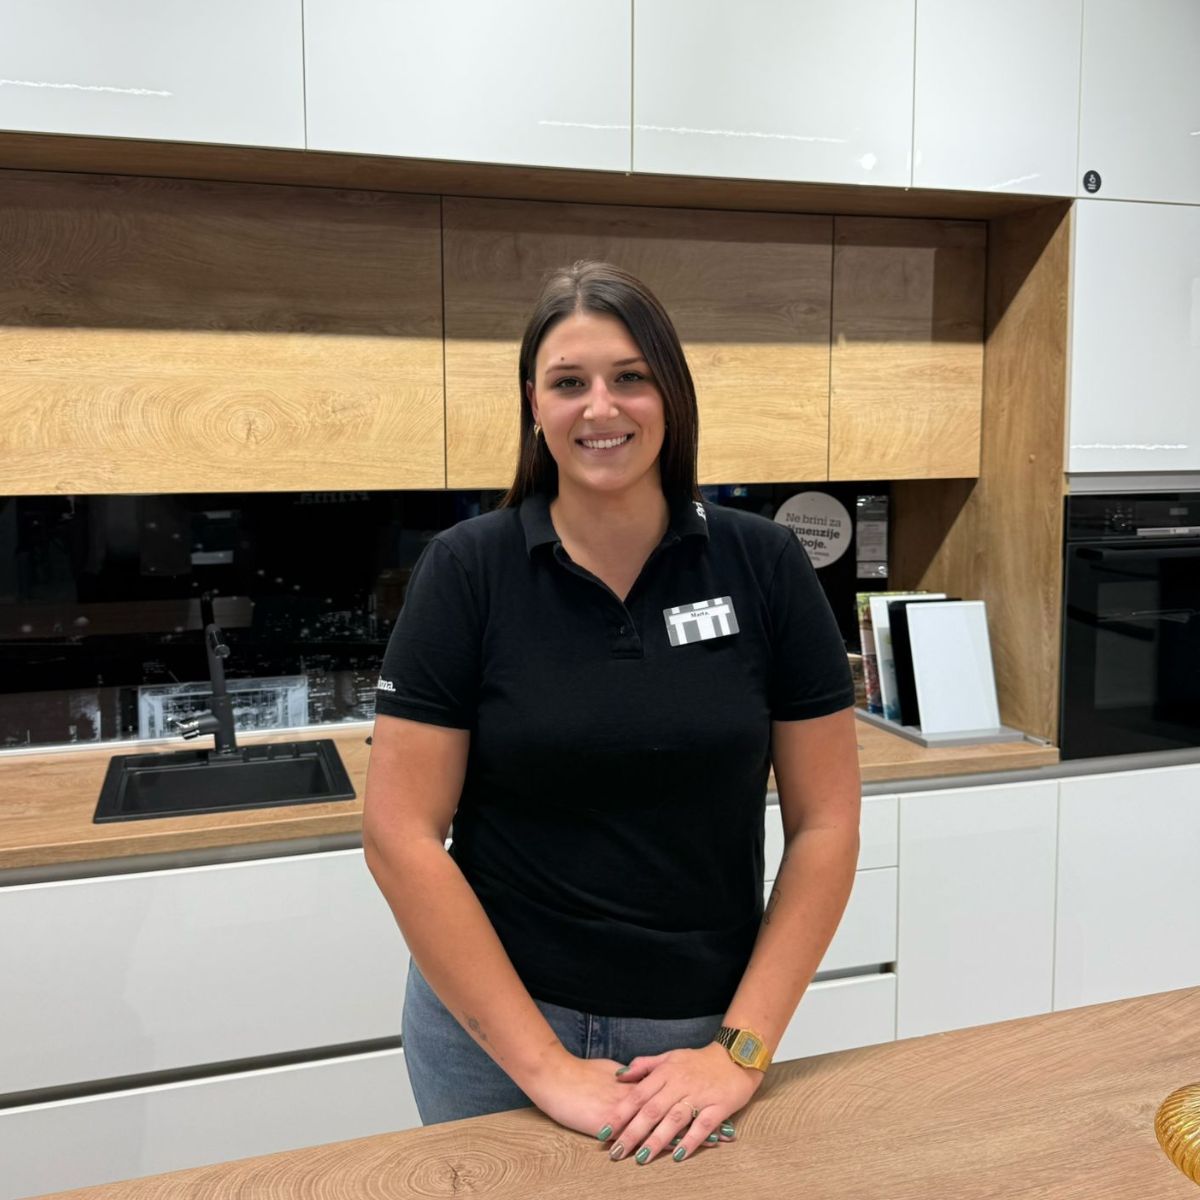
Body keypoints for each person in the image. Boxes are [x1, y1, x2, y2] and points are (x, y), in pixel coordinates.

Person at [363, 260, 861, 1167]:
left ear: (670, 393)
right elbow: (399, 834)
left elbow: (826, 825)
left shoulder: (765, 566)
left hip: (700, 1038)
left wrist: (740, 1052)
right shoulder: (467, 572)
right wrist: (546, 1067)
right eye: (569, 383)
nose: (601, 407)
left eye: (630, 376)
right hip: (495, 1042)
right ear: (535, 404)